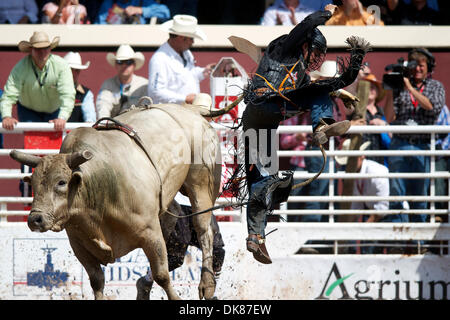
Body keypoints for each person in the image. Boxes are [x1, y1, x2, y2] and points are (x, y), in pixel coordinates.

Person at [241, 4, 370, 264]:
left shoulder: (299, 70)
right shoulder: (285, 48)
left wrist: (356, 59)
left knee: (261, 181)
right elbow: (305, 25)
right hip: (266, 105)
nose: (317, 59)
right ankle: (321, 126)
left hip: (259, 120)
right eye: (316, 52)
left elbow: (335, 82)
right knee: (321, 89)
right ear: (305, 45)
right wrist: (325, 12)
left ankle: (256, 236)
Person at [383, 47, 445, 225]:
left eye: (421, 65)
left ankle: (419, 241)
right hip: (400, 143)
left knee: (420, 195)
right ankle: (399, 241)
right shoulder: (399, 87)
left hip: (422, 145)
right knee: (396, 193)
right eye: (414, 65)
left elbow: (432, 106)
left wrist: (409, 87)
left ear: (428, 67)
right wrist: (389, 90)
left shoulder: (435, 86)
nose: (417, 68)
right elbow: (388, 118)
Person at [136, 198, 225, 300]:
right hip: (179, 208)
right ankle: (147, 280)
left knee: (218, 251)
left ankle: (212, 293)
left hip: (203, 207)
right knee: (175, 259)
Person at [0, 31, 75, 131]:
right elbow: (9, 94)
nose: (42, 52)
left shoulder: (61, 65)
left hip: (55, 111)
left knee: (54, 145)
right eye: (38, 48)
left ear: (50, 49)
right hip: (28, 111)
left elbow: (68, 94)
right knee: (31, 142)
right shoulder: (20, 67)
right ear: (31, 50)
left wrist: (62, 117)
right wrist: (6, 117)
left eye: (46, 48)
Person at [335, 139, 389, 254]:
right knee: (368, 248)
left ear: (361, 156)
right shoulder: (357, 175)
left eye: (351, 160)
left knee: (372, 248)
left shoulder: (376, 171)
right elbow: (355, 207)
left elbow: (383, 207)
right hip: (374, 212)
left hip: (390, 213)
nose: (349, 164)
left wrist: (362, 228)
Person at [148, 14, 215, 105]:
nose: (193, 42)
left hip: (186, 112)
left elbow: (189, 74)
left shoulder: (186, 53)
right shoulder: (159, 59)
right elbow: (155, 92)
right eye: (191, 38)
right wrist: (184, 98)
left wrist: (204, 71)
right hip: (170, 115)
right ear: (181, 38)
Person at [348, 73, 391, 166]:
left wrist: (384, 125)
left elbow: (392, 134)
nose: (370, 90)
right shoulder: (355, 109)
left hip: (379, 158)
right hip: (359, 159)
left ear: (377, 92)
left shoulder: (382, 112)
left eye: (373, 87)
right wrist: (356, 75)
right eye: (367, 87)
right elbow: (348, 95)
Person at [96, 44, 148, 118]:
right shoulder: (108, 85)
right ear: (115, 64)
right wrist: (104, 122)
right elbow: (103, 105)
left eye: (129, 62)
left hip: (137, 125)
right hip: (113, 126)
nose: (124, 65)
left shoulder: (144, 85)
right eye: (120, 62)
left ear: (134, 65)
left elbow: (147, 110)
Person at [63, 52, 97, 123]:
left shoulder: (86, 94)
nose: (74, 74)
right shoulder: (52, 89)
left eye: (77, 70)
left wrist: (88, 124)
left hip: (77, 133)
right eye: (71, 69)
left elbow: (90, 117)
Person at [260, 0, 332, 26]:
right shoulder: (271, 11)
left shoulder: (309, 12)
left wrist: (295, 23)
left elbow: (311, 36)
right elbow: (265, 35)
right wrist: (277, 26)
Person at [96, 0, 170, 24]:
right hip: (113, 42)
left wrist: (140, 10)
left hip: (138, 43)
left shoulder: (142, 1)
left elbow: (165, 12)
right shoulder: (108, 3)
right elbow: (98, 26)